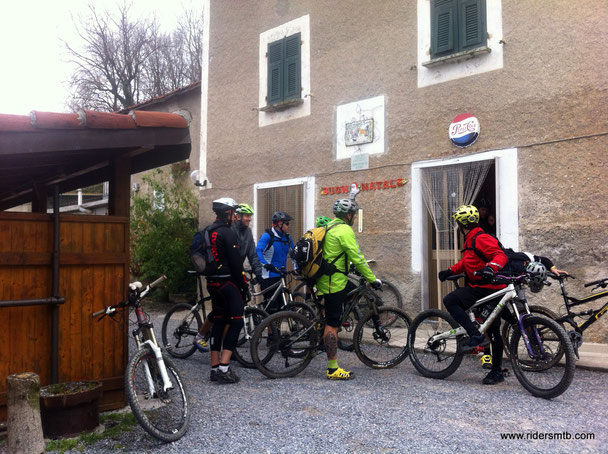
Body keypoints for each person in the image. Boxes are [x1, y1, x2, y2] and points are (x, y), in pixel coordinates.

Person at [438, 204, 508, 385]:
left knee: (450, 300)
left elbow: (500, 256)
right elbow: (468, 261)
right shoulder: (472, 239)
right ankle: (496, 371)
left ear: (462, 224)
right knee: (493, 330)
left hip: (486, 288)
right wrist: (450, 270)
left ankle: (474, 336)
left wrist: (491, 268)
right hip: (488, 289)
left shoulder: (480, 238)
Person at [315, 198, 382, 380]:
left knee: (352, 292)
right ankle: (332, 369)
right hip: (333, 283)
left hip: (330, 279)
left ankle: (339, 319)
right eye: (354, 214)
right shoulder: (344, 229)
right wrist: (371, 279)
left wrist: (349, 267)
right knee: (332, 323)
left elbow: (337, 254)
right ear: (349, 215)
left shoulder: (329, 227)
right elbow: (357, 256)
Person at [194, 202, 262, 352]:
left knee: (230, 311)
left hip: (236, 273)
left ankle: (224, 346)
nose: (249, 219)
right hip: (224, 275)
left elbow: (252, 254)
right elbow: (230, 256)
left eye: (250, 216)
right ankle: (201, 335)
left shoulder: (248, 233)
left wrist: (258, 272)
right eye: (247, 216)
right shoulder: (229, 230)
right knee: (222, 311)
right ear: (237, 216)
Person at [202, 197, 249, 384]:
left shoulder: (208, 231)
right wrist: (244, 286)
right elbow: (237, 264)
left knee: (219, 322)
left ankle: (214, 369)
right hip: (228, 283)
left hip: (212, 283)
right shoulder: (227, 232)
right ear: (226, 214)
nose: (235, 216)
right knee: (236, 322)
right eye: (233, 213)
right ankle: (224, 367)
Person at [256, 211, 295, 313]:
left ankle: (276, 329)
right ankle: (270, 328)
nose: (289, 226)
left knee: (281, 307)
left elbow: (293, 254)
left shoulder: (287, 237)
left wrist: (297, 268)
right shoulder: (268, 236)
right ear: (279, 224)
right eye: (287, 224)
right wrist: (266, 264)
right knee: (272, 309)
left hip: (281, 275)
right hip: (269, 277)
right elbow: (258, 252)